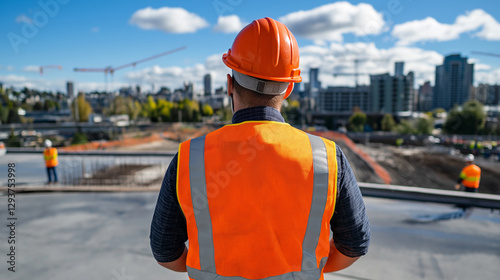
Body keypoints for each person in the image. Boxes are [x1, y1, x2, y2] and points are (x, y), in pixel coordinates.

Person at [150, 17, 370, 279]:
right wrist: (312, 267)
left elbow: (165, 250)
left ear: (230, 85)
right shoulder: (326, 156)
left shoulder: (190, 157)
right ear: (288, 89)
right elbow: (355, 244)